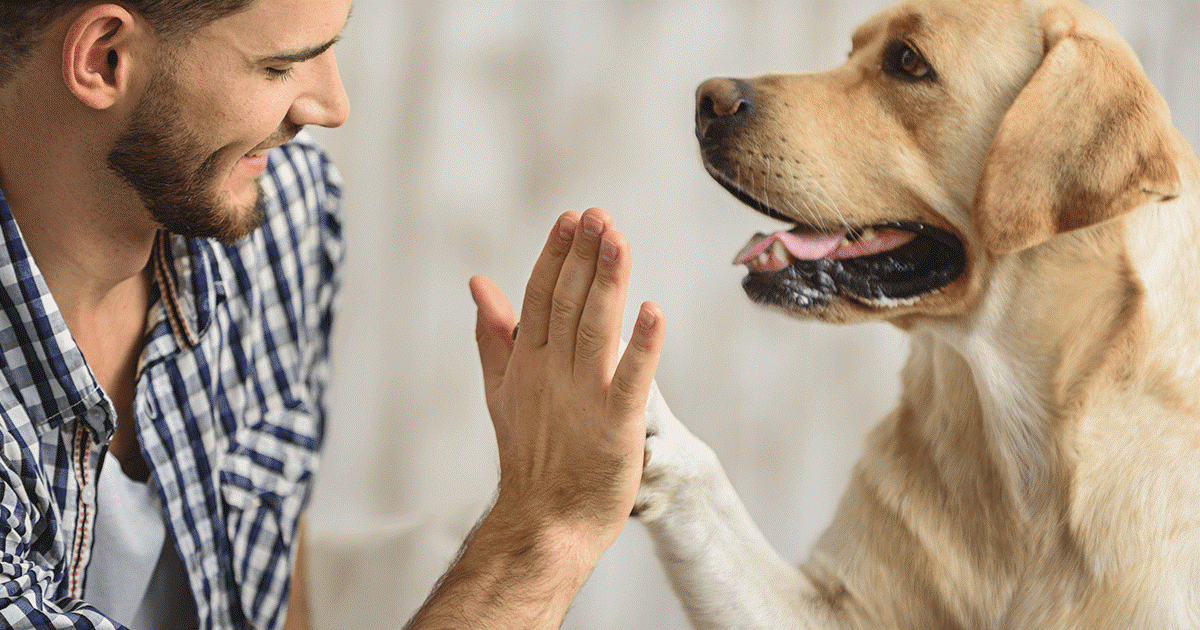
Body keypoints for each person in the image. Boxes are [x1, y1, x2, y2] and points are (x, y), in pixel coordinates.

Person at [0, 1, 665, 629]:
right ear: (104, 59)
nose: (332, 106)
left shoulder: (283, 216)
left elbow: (270, 579)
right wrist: (546, 532)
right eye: (279, 66)